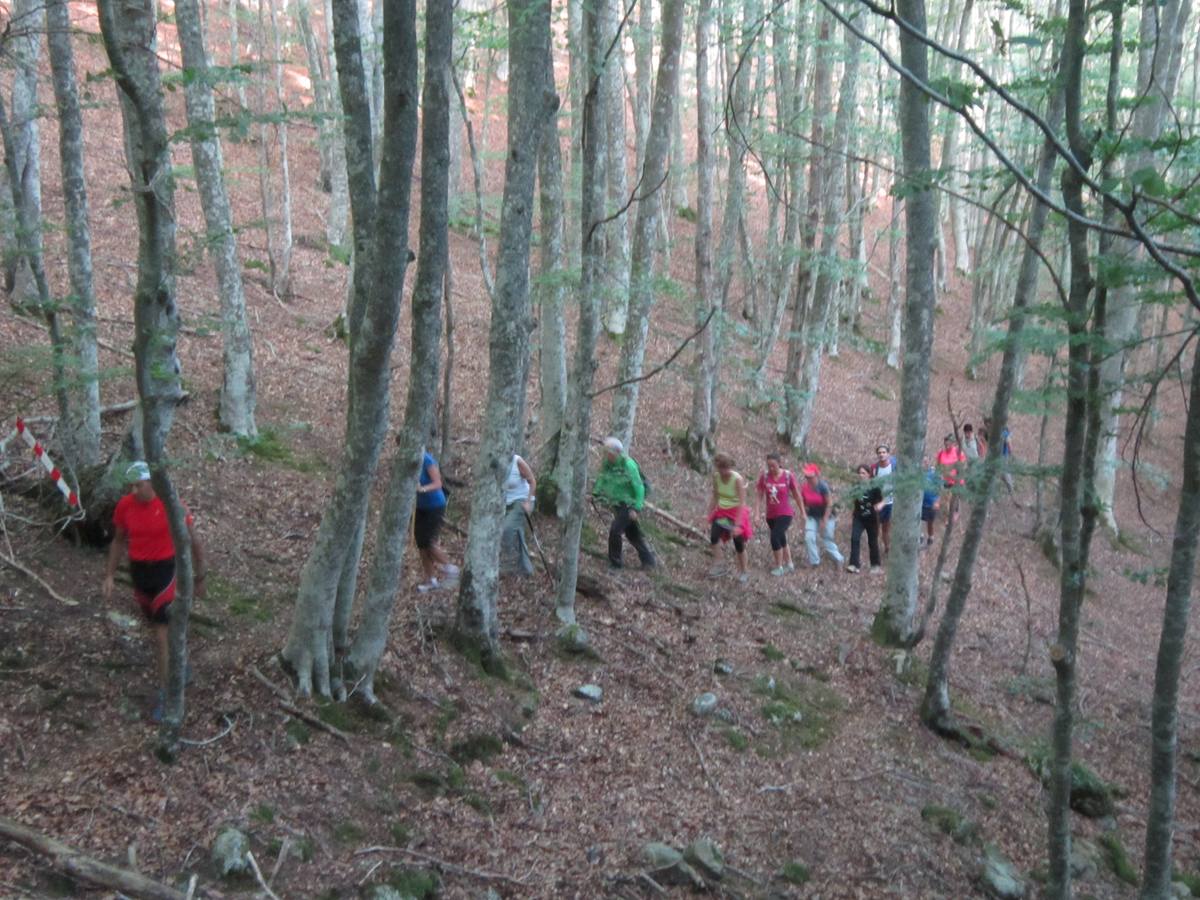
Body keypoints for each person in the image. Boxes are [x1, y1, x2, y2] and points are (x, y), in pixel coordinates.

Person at [102, 461, 205, 722]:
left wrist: (200, 575)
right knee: (158, 629)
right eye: (132, 486)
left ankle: (167, 695)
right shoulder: (125, 506)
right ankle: (179, 664)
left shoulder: (171, 504)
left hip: (166, 573)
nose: (135, 490)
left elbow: (193, 538)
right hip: (140, 573)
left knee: (160, 634)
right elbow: (118, 540)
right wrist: (110, 575)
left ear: (152, 483)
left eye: (139, 485)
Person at [592, 437, 656, 569]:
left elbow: (639, 487)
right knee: (632, 534)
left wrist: (636, 508)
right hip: (617, 502)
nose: (605, 455)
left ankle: (615, 562)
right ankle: (648, 561)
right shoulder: (607, 463)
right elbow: (602, 477)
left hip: (629, 504)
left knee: (615, 530)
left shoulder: (629, 465)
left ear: (615, 453)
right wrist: (595, 493)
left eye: (607, 452)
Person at [414, 450, 458, 592]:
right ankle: (431, 580)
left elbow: (437, 483)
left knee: (428, 541)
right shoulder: (409, 460)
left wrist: (422, 489)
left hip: (435, 505)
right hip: (420, 507)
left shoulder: (427, 459)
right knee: (421, 545)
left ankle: (450, 569)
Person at [707, 452, 752, 582]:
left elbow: (742, 503)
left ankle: (744, 570)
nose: (724, 471)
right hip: (722, 512)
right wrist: (708, 515)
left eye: (727, 468)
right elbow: (715, 496)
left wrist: (737, 525)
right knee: (714, 537)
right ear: (717, 467)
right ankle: (719, 563)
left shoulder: (737, 479)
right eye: (721, 468)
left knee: (738, 543)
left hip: (737, 512)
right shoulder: (716, 477)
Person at [755, 452, 802, 575]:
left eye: (773, 466)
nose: (771, 469)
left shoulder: (787, 476)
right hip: (771, 515)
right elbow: (759, 495)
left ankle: (779, 566)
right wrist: (756, 513)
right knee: (781, 538)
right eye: (769, 466)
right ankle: (789, 563)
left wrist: (803, 512)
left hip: (785, 513)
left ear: (780, 464)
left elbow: (796, 494)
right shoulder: (765, 477)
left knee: (775, 537)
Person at [800, 463, 844, 568]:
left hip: (827, 515)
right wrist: (803, 513)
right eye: (807, 476)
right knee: (809, 537)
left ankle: (838, 559)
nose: (809, 478)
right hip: (812, 515)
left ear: (816, 475)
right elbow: (802, 501)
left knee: (827, 538)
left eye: (811, 476)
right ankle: (815, 561)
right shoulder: (804, 487)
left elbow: (829, 503)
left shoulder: (823, 486)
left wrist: (824, 520)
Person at [500, 453, 536, 577]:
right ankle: (526, 569)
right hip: (506, 504)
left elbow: (533, 481)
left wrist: (527, 502)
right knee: (519, 534)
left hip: (522, 500)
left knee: (507, 529)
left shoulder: (517, 461)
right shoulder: (497, 462)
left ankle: (508, 562)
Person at [847, 464, 883, 573]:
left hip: (871, 518)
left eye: (863, 473)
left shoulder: (874, 487)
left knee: (872, 541)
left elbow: (883, 499)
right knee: (854, 538)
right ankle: (854, 564)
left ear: (869, 474)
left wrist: (880, 505)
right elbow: (853, 499)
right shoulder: (856, 486)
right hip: (859, 517)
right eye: (859, 473)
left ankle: (875, 565)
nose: (861, 475)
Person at [871, 444, 896, 555]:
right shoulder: (874, 468)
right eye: (879, 453)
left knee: (886, 528)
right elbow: (872, 484)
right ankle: (875, 547)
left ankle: (887, 547)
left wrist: (885, 501)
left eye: (883, 452)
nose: (881, 454)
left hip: (890, 502)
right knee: (875, 526)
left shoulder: (894, 467)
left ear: (888, 454)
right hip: (877, 502)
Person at [921, 456, 942, 548]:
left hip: (931, 503)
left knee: (930, 522)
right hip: (920, 503)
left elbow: (940, 488)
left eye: (925, 461)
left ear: (929, 462)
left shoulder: (934, 474)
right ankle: (920, 536)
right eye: (922, 461)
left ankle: (930, 537)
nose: (924, 463)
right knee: (919, 520)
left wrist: (937, 501)